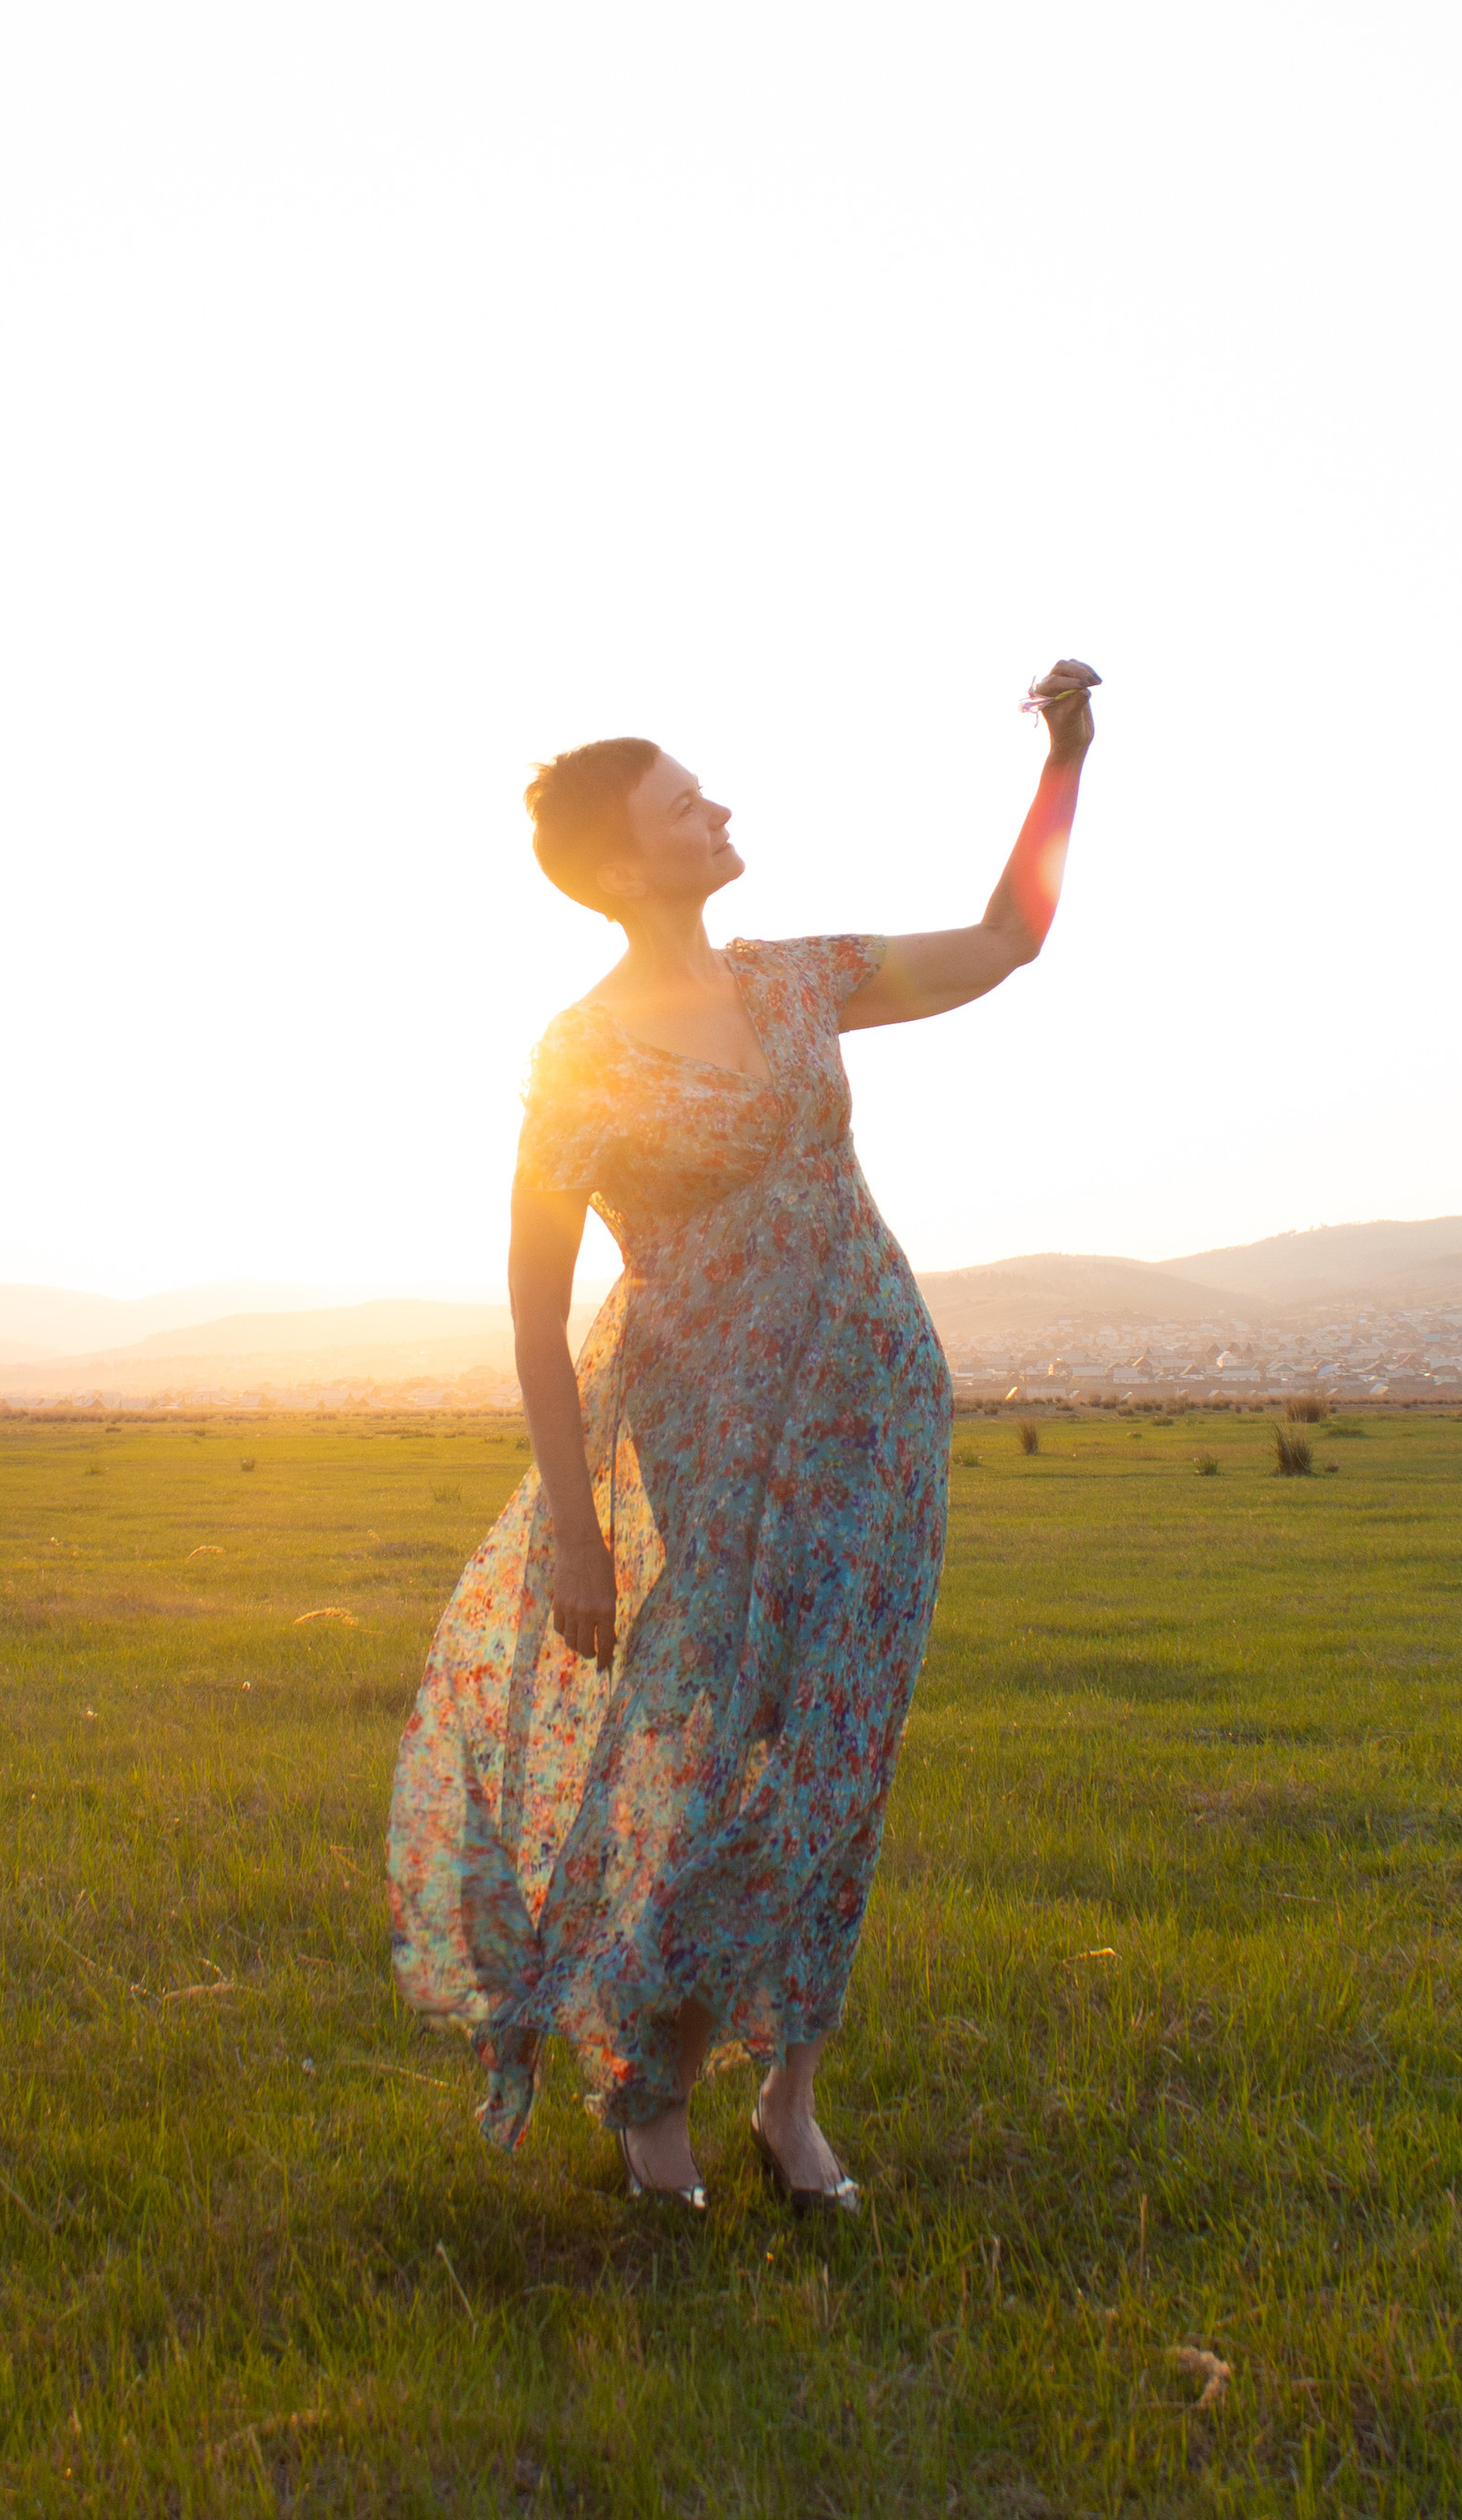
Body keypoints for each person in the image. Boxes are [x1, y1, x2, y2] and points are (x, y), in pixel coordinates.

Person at [385, 662, 1100, 2210]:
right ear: (621, 863)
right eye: (683, 803)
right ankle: (650, 2082)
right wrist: (577, 1533)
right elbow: (530, 1313)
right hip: (715, 1430)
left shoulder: (794, 977)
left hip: (879, 1409)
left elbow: (1007, 941)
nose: (720, 811)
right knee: (711, 1757)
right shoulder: (576, 1061)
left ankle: (789, 2099)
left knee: (843, 1754)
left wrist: (1067, 764)